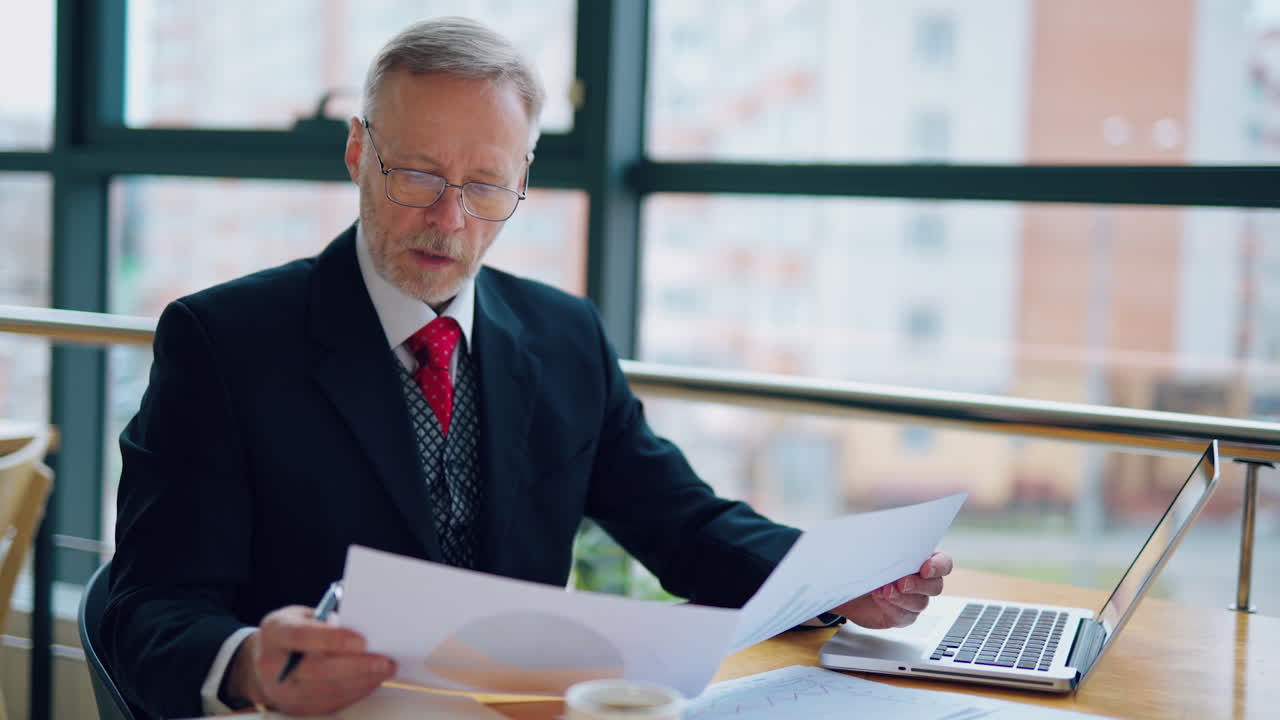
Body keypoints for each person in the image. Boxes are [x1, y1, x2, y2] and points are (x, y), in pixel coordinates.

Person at [103, 16, 953, 719]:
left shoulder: (563, 335)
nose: (449, 219)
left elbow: (683, 524)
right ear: (359, 151)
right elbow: (145, 607)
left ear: (524, 181)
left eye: (485, 185)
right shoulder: (222, 342)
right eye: (417, 175)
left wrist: (842, 584)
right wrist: (250, 663)